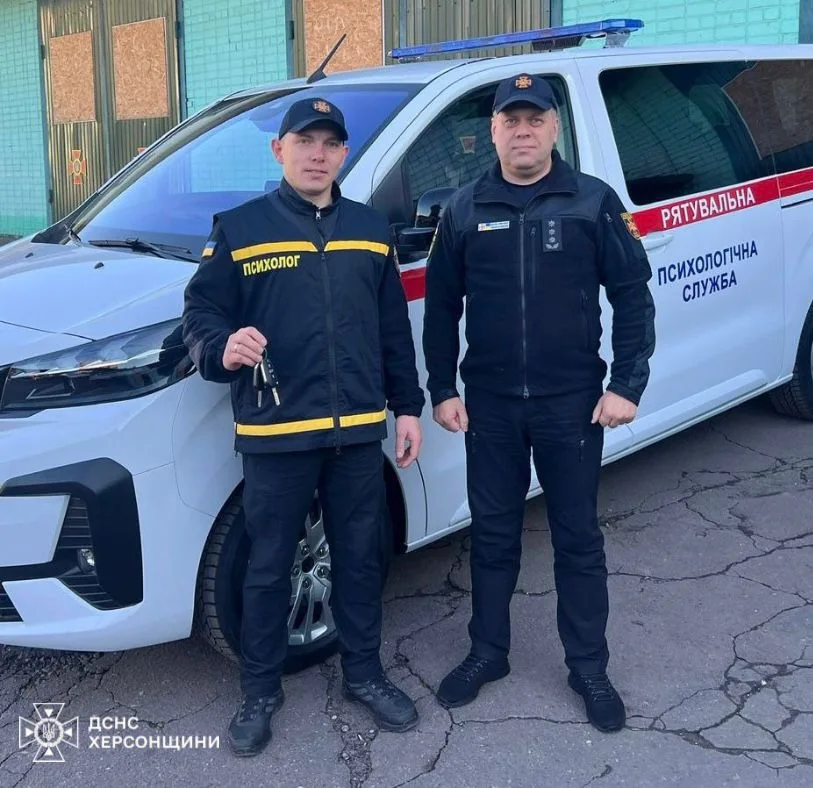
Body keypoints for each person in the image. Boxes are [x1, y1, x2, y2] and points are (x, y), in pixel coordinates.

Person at [182, 96, 425, 756]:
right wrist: (221, 347)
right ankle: (260, 691)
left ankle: (364, 674)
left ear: (343, 154)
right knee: (268, 566)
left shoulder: (370, 229)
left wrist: (407, 407)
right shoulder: (240, 228)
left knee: (359, 557)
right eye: (304, 141)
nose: (317, 154)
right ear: (279, 150)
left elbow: (392, 330)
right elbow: (200, 315)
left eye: (329, 144)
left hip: (357, 430)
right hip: (277, 431)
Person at [422, 73, 656, 732]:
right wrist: (442, 389)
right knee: (492, 536)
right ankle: (487, 653)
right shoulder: (464, 209)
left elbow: (632, 294)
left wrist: (626, 385)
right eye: (510, 121)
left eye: (534, 119)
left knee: (576, 539)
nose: (522, 131)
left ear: (554, 127)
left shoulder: (592, 201)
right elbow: (439, 307)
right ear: (491, 131)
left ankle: (588, 667)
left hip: (571, 404)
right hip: (490, 406)